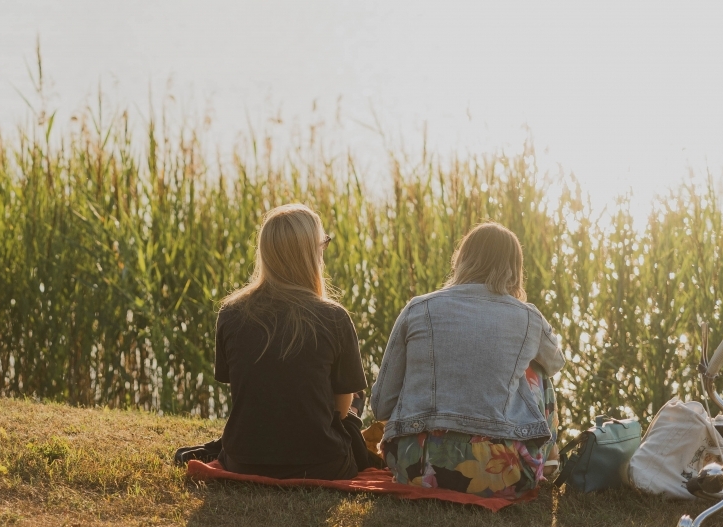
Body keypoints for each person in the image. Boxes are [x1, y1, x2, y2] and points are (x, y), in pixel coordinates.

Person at [370, 222, 565, 498]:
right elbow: (556, 363)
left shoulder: (418, 308)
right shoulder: (528, 317)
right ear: (514, 269)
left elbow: (381, 405)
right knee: (537, 368)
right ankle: (550, 457)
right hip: (503, 471)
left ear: (462, 260)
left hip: (416, 468)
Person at [214, 203, 376, 479]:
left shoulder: (231, 313)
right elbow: (340, 409)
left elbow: (242, 387)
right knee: (354, 396)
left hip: (242, 460)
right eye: (323, 244)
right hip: (323, 465)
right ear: (311, 253)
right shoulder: (334, 317)